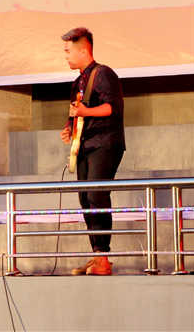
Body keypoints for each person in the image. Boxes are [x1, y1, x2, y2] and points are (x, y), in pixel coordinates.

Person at [60, 27, 125, 276]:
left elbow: (111, 107)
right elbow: (76, 113)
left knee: (97, 195)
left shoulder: (103, 73)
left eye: (68, 51)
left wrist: (85, 112)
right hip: (85, 145)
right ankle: (98, 254)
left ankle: (103, 258)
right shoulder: (78, 81)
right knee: (85, 198)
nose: (66, 56)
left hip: (105, 143)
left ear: (83, 50)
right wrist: (69, 129)